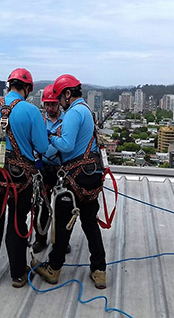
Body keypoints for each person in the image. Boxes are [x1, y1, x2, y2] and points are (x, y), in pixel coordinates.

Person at [0, 68, 48, 288]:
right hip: (20, 179)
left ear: (9, 86)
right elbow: (42, 146)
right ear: (27, 89)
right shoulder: (31, 111)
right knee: (17, 224)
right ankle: (18, 274)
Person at [32, 74, 107, 289]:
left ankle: (54, 268)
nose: (59, 103)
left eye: (59, 97)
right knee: (90, 224)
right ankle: (99, 270)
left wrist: (48, 136)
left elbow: (66, 145)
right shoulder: (87, 111)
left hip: (75, 178)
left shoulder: (74, 112)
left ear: (67, 94)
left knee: (63, 225)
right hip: (91, 175)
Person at [32, 84, 64, 253]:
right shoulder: (39, 120)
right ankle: (41, 238)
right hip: (42, 167)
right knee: (41, 205)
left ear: (59, 103)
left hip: (61, 168)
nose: (50, 107)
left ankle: (61, 241)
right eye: (47, 104)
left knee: (62, 207)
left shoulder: (67, 120)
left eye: (53, 104)